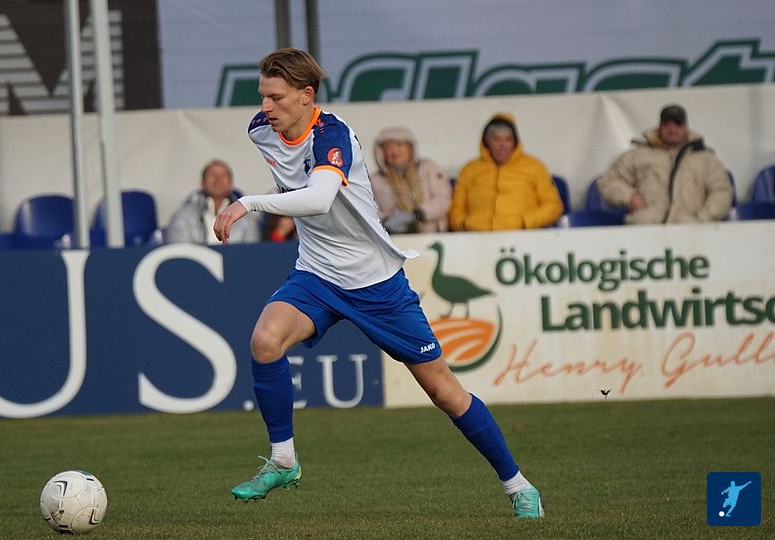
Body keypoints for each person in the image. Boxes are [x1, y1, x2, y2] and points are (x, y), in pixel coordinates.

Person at [213, 48, 543, 518]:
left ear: (307, 95)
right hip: (317, 273)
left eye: (276, 97)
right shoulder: (261, 130)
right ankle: (283, 460)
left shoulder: (333, 135)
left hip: (376, 283)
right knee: (265, 341)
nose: (265, 107)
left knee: (445, 393)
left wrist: (249, 203)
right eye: (263, 96)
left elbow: (320, 198)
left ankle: (518, 485)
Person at [597, 104, 732, 224]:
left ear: (686, 128)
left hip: (693, 231)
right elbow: (608, 181)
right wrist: (631, 197)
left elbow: (722, 191)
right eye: (667, 124)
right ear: (659, 128)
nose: (672, 129)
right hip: (646, 228)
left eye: (678, 124)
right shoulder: (637, 155)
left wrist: (703, 218)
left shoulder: (707, 159)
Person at [449, 114, 563, 231]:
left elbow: (553, 206)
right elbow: (456, 209)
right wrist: (464, 224)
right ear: (487, 142)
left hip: (523, 234)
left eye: (508, 139)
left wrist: (525, 222)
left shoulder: (535, 167)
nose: (502, 145)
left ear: (515, 143)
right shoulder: (469, 170)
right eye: (496, 139)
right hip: (477, 236)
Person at [369, 126, 451, 234]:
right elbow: (369, 209)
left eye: (399, 145)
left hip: (433, 234)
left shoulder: (428, 168)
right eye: (388, 147)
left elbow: (443, 200)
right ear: (381, 152)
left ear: (411, 148)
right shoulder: (375, 180)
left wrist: (416, 215)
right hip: (394, 236)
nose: (395, 152)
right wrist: (387, 221)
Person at [166, 159, 261, 245]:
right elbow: (179, 252)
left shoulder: (246, 219)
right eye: (212, 175)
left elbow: (251, 252)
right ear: (202, 183)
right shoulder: (183, 216)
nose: (218, 179)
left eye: (223, 175)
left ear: (231, 184)